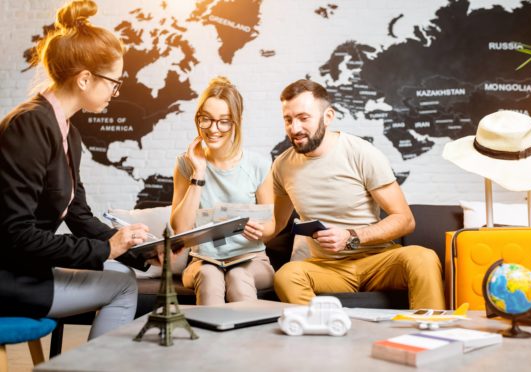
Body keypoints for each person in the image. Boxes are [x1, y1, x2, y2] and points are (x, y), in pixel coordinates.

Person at [0, 0, 150, 339]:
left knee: (123, 277)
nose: (116, 91)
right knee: (123, 288)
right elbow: (16, 233)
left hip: (26, 272)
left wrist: (143, 252)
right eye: (114, 81)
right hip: (10, 278)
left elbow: (78, 215)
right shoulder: (29, 125)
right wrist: (106, 250)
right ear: (85, 79)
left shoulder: (67, 131)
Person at [271, 79, 445, 309]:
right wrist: (238, 230)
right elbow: (276, 223)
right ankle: (324, 328)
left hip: (377, 261)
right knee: (287, 275)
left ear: (328, 116)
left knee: (423, 257)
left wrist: (351, 235)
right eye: (288, 119)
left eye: (304, 118)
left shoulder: (361, 152)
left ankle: (433, 334)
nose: (294, 128)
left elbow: (405, 220)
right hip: (328, 269)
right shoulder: (282, 166)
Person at [170, 77, 275, 305]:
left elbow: (271, 225)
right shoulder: (185, 165)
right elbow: (180, 228)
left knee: (238, 276)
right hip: (203, 261)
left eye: (223, 121)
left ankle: (245, 339)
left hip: (251, 259)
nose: (213, 129)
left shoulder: (258, 165)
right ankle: (209, 341)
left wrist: (258, 229)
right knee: (209, 276)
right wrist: (198, 173)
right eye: (205, 119)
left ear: (236, 122)